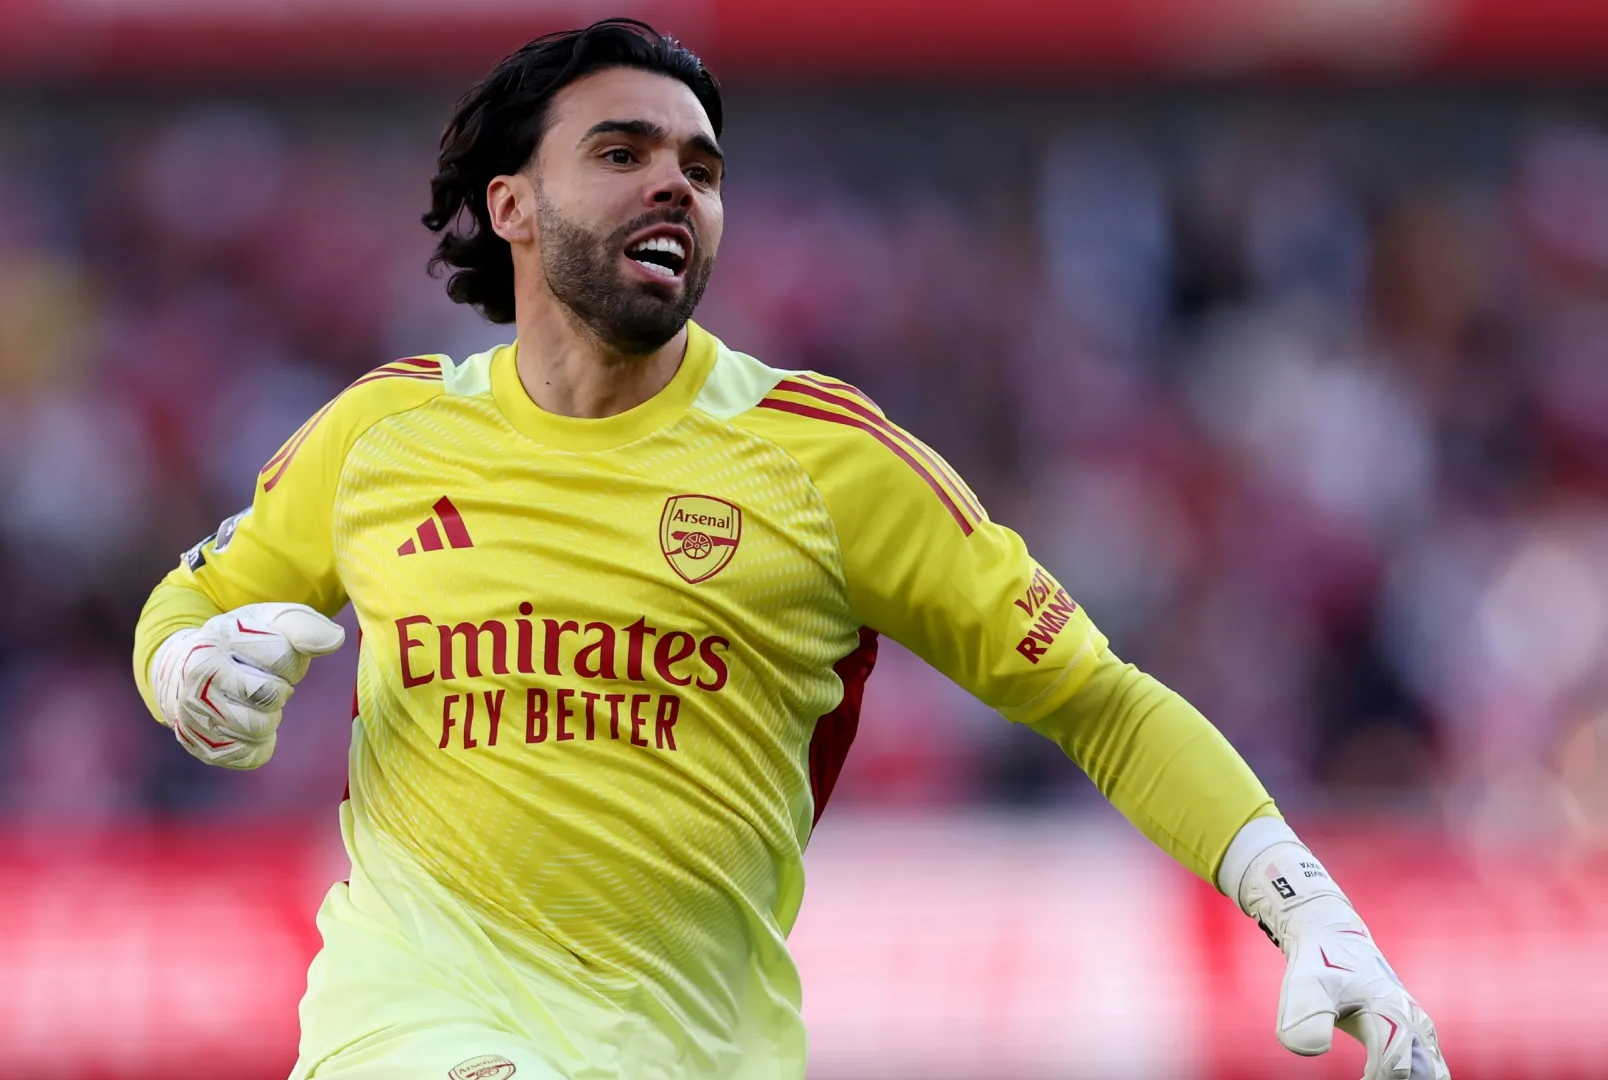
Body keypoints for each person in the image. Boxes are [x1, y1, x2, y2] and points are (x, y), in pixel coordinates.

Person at [132, 19, 1448, 1080]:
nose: (676, 184)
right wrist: (188, 671)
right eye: (624, 151)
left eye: (701, 169)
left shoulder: (823, 461)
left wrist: (1307, 904)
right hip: (406, 1027)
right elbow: (194, 606)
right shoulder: (384, 434)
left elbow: (1097, 703)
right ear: (513, 206)